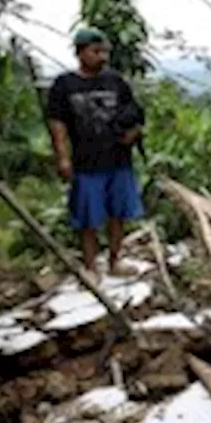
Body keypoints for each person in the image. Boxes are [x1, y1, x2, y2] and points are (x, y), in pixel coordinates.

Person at [46, 29, 145, 279]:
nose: (102, 57)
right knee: (87, 218)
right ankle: (90, 268)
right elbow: (57, 123)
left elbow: (135, 113)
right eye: (96, 51)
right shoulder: (64, 85)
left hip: (118, 160)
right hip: (86, 162)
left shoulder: (116, 81)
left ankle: (114, 261)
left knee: (118, 213)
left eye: (105, 52)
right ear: (80, 52)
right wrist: (63, 156)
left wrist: (132, 134)